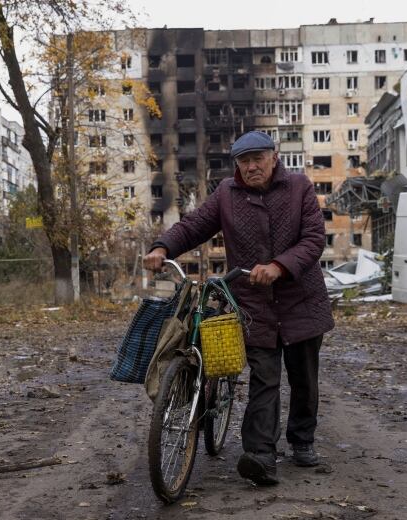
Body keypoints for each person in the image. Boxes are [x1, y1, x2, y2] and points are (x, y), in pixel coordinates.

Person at [143, 130, 334, 486]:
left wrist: (279, 266)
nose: (251, 167)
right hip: (253, 304)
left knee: (304, 377)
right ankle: (261, 455)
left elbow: (313, 240)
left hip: (300, 300)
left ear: (273, 157)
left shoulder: (299, 188)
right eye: (244, 162)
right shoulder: (227, 195)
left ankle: (302, 439)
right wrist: (163, 247)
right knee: (265, 378)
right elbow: (194, 225)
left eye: (257, 159)